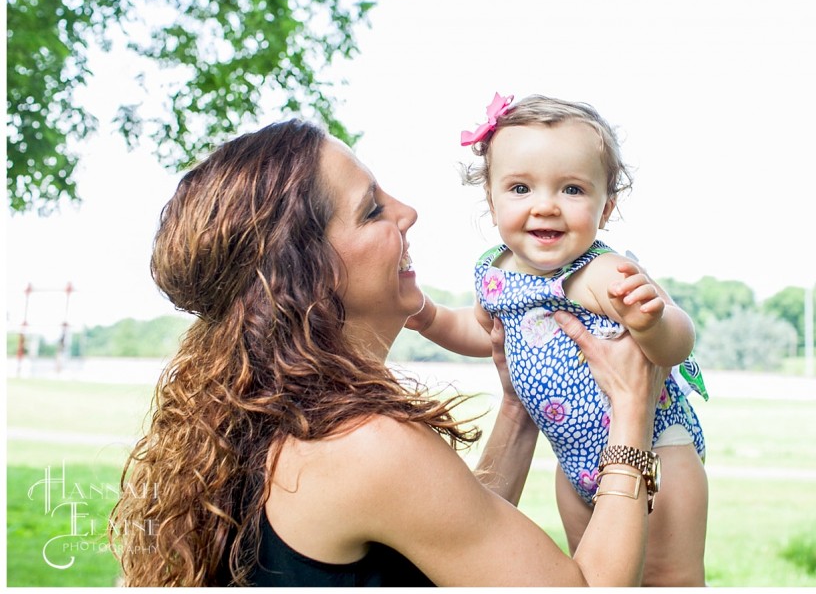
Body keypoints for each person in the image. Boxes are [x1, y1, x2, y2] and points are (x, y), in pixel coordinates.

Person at [109, 119, 673, 587]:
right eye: (373, 210)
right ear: (305, 272)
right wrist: (631, 409)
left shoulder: (291, 416)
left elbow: (445, 529)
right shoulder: (363, 443)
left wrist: (515, 409)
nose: (407, 212)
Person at [406, 93, 710, 585]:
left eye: (571, 190)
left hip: (657, 452)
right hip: (575, 467)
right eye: (521, 188)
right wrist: (431, 317)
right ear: (491, 199)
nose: (545, 207)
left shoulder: (599, 272)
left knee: (667, 578)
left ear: (605, 207)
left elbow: (678, 344)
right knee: (593, 573)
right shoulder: (495, 273)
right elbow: (485, 334)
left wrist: (654, 323)